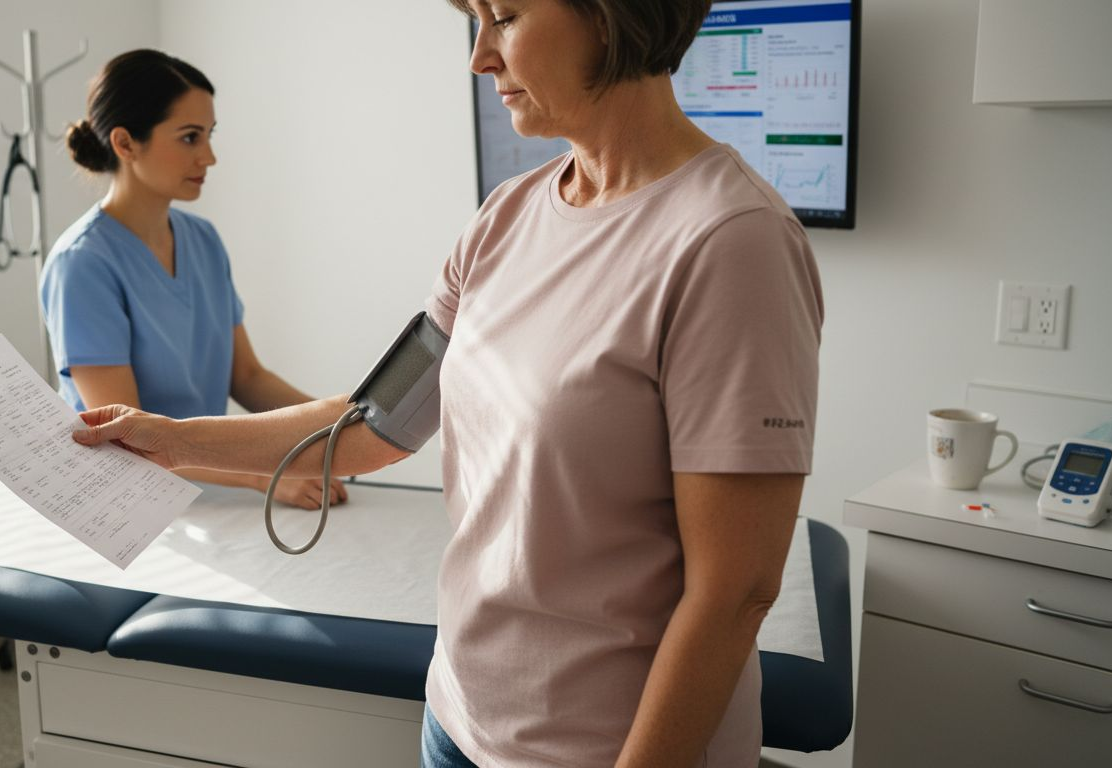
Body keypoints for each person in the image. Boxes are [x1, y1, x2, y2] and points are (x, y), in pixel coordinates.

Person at [71, 1, 823, 765]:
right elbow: (370, 426)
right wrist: (166, 439)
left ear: (608, 15)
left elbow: (734, 596)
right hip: (458, 720)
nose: (480, 58)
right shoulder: (505, 218)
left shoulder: (731, 243)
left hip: (597, 748)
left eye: (504, 16)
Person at [42, 49, 345, 510]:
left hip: (214, 492)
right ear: (125, 144)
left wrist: (342, 429)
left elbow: (247, 377)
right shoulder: (82, 264)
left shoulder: (202, 240)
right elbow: (126, 435)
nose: (209, 156)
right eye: (189, 138)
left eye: (208, 135)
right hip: (126, 506)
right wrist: (264, 477)